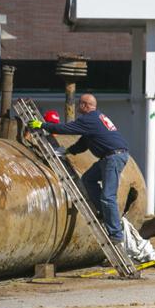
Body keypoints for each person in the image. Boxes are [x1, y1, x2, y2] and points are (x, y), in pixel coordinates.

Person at [30, 93, 128, 246]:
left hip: (113, 158)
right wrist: (68, 151)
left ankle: (116, 234)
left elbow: (67, 128)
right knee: (88, 179)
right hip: (111, 157)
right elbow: (84, 142)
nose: (77, 107)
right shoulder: (97, 117)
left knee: (108, 196)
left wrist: (42, 125)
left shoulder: (89, 119)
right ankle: (103, 212)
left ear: (84, 105)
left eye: (79, 104)